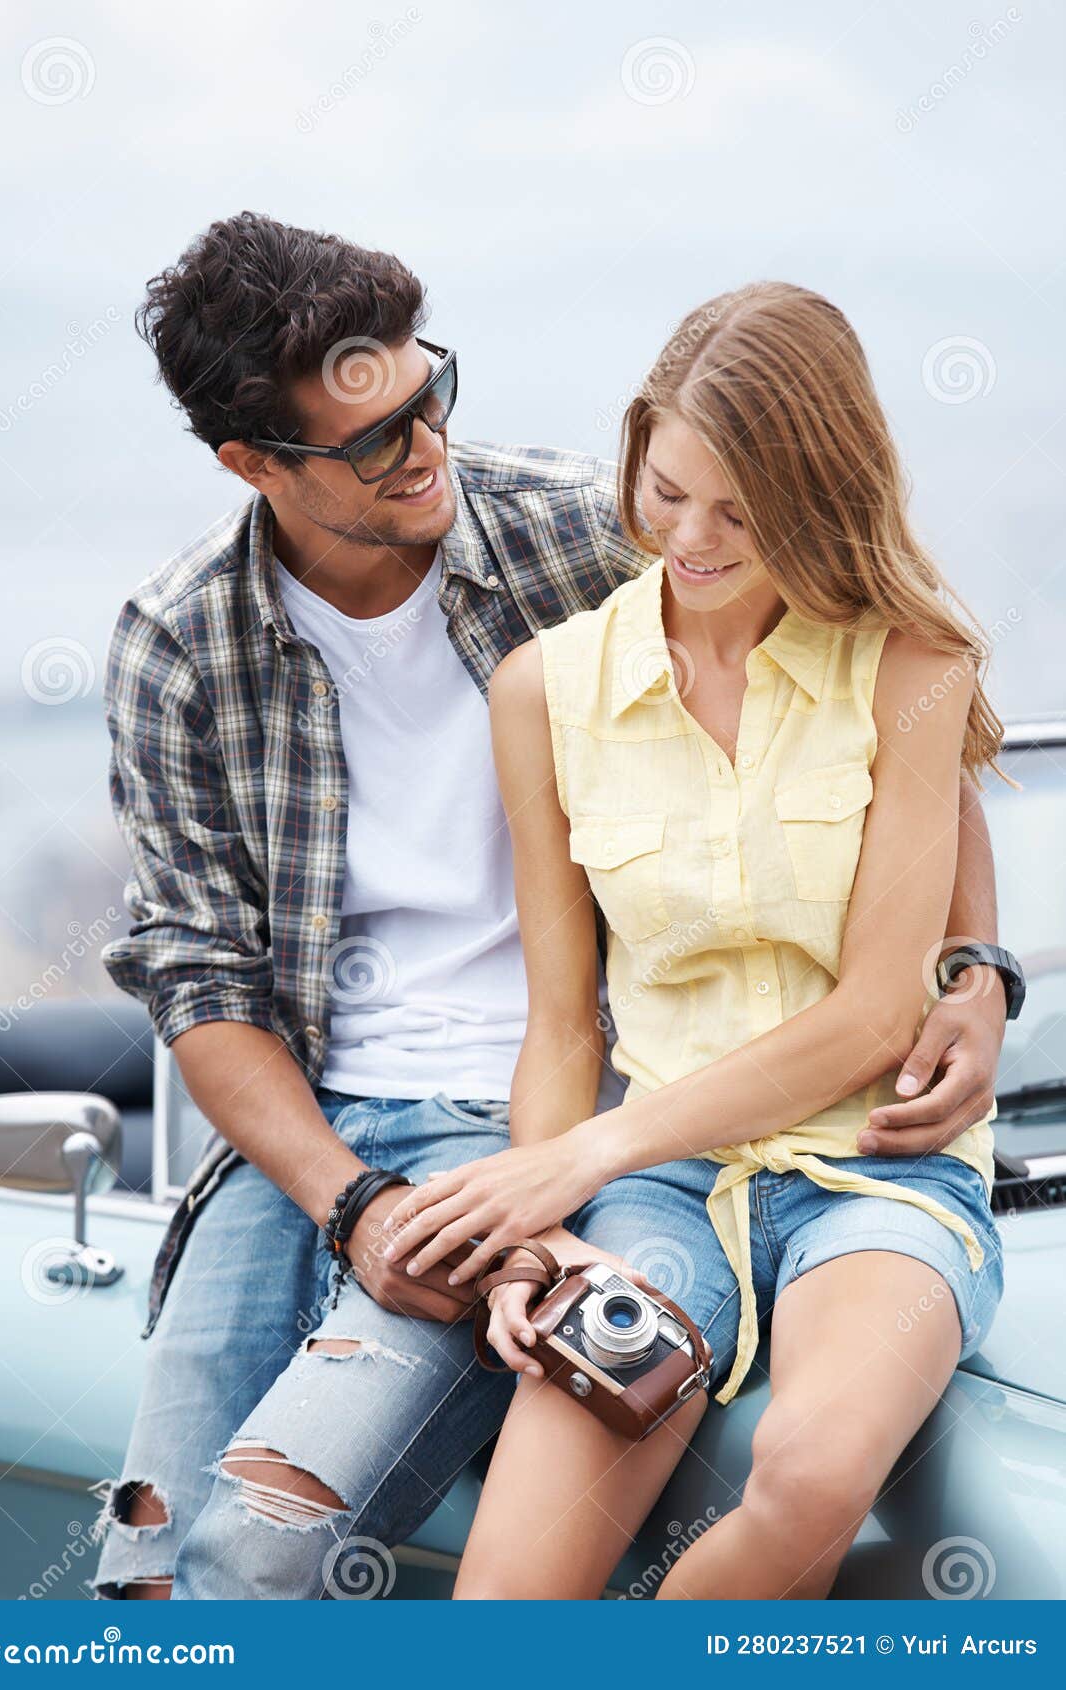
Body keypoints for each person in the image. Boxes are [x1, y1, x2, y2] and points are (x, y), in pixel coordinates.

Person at [93, 219, 1011, 1599]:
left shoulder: (594, 521)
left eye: (430, 395)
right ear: (253, 465)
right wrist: (357, 1205)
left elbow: (904, 735)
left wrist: (978, 967)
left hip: (543, 1123)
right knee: (155, 1574)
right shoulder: (184, 640)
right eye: (373, 439)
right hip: (327, 1132)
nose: (427, 450)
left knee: (259, 1543)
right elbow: (197, 977)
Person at [383, 282, 1009, 1600]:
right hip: (658, 1200)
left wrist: (576, 1157)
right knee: (504, 1604)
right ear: (637, 449)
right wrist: (536, 1233)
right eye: (668, 491)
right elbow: (564, 1024)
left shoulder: (913, 666)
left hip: (881, 1173)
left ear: (824, 495)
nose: (692, 537)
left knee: (811, 1481)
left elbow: (875, 1015)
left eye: (743, 509)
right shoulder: (545, 692)